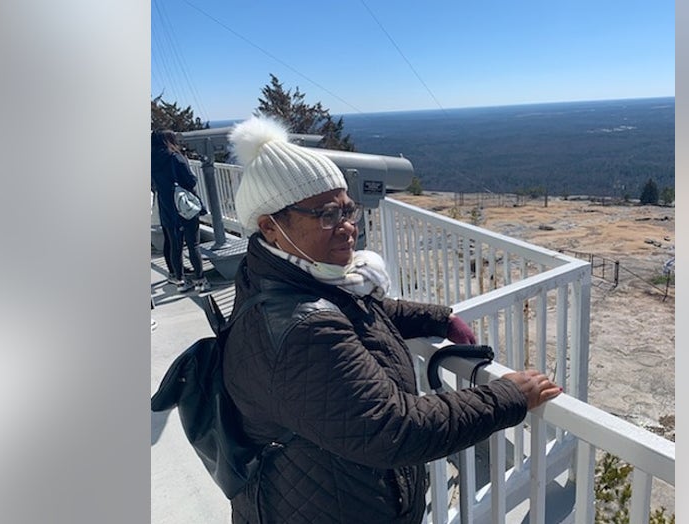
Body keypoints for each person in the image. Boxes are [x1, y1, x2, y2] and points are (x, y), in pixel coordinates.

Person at [222, 116, 561, 523]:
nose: (347, 227)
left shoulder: (279, 277)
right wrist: (508, 397)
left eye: (347, 210)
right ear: (270, 227)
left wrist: (438, 319)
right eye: (326, 215)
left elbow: (357, 314)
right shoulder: (301, 328)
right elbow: (394, 428)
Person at [150, 129, 211, 293]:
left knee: (175, 246)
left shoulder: (149, 160)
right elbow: (190, 180)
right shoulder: (174, 157)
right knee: (193, 245)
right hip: (184, 206)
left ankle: (180, 281)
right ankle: (200, 280)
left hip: (166, 207)